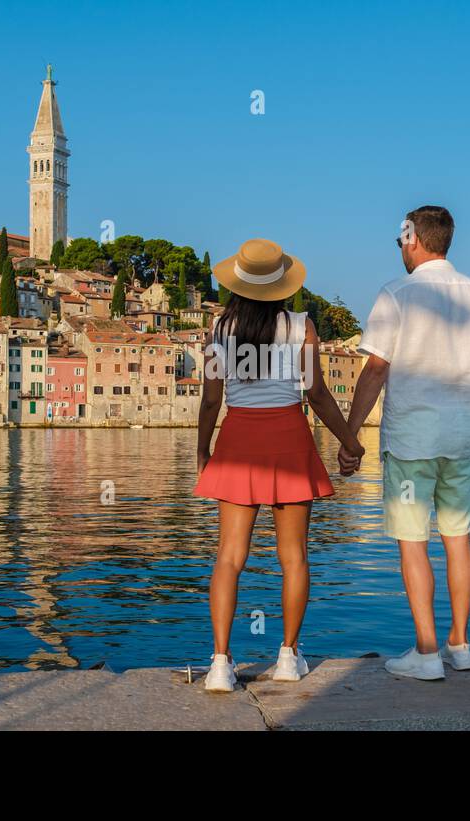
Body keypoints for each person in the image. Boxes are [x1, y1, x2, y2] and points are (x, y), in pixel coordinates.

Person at [339, 206, 470, 680]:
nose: (398, 246)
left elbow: (376, 368)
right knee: (458, 539)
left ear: (414, 240)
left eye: (400, 238)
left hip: (411, 440)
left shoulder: (396, 294)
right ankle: (459, 646)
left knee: (412, 543)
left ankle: (425, 653)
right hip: (464, 439)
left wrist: (349, 436)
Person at [195, 238, 365, 693]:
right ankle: (289, 657)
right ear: (282, 285)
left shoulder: (220, 329)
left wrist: (202, 451)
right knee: (294, 557)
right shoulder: (301, 327)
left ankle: (219, 664)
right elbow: (318, 396)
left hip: (238, 438)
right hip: (289, 438)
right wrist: (351, 441)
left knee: (229, 557)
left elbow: (211, 401)